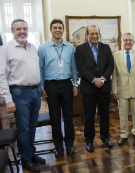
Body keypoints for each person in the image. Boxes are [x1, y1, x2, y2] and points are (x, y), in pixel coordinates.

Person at [0, 19, 45, 172]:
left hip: (35, 91)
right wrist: (8, 100)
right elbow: (2, 76)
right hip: (19, 93)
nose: (22, 31)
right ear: (12, 31)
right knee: (23, 128)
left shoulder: (33, 47)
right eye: (18, 29)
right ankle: (25, 159)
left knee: (32, 126)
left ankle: (31, 154)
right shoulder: (5, 49)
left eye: (24, 28)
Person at [38, 19, 78, 158]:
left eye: (60, 28)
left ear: (63, 30)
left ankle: (70, 144)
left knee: (68, 116)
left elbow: (73, 67)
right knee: (55, 117)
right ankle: (58, 146)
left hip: (67, 84)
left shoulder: (70, 47)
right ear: (50, 30)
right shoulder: (42, 48)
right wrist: (42, 87)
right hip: (51, 85)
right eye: (54, 28)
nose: (57, 30)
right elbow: (40, 69)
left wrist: (75, 84)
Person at [75, 25, 114, 152]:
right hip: (88, 88)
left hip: (104, 87)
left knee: (105, 115)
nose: (94, 36)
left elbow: (110, 65)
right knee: (89, 116)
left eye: (96, 33)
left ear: (99, 34)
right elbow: (80, 67)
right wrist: (93, 79)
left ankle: (105, 137)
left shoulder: (106, 48)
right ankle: (89, 140)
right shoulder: (80, 49)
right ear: (87, 35)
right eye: (91, 34)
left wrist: (102, 79)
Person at [111, 32, 135, 146]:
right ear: (121, 42)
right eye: (125, 40)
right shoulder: (116, 55)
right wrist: (114, 90)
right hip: (121, 89)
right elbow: (114, 74)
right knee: (123, 114)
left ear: (133, 42)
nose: (128, 42)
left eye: (130, 40)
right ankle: (123, 134)